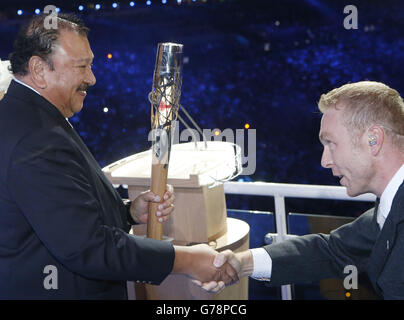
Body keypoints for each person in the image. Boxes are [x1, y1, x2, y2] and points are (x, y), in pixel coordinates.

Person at [0, 13, 236, 299]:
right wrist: (187, 260)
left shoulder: (28, 117)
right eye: (81, 66)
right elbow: (88, 248)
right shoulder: (35, 136)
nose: (92, 78)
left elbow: (59, 216)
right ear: (38, 69)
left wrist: (128, 212)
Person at [201, 81, 404, 299]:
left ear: (373, 140)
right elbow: (332, 250)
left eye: (331, 143)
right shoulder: (388, 207)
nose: (325, 161)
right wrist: (243, 263)